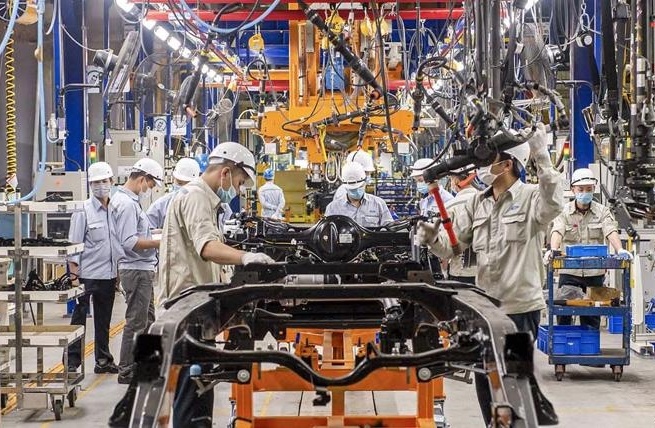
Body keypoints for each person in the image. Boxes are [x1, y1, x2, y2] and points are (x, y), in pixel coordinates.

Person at [415, 124, 562, 425]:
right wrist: (431, 238)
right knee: (486, 383)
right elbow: (451, 248)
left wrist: (542, 155)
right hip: (486, 312)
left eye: (488, 159)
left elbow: (554, 203)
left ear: (507, 164)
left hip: (519, 312)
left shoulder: (531, 198)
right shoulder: (476, 203)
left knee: (514, 385)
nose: (481, 166)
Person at [158, 142, 275, 427]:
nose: (237, 190)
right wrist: (245, 257)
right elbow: (207, 247)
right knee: (192, 396)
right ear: (225, 173)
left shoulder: (203, 199)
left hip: (194, 309)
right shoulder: (196, 197)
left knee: (195, 392)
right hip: (186, 312)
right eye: (239, 182)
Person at [546, 167, 633, 329]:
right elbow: (557, 230)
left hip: (594, 275)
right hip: (570, 274)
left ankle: (590, 343)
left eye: (588, 189)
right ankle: (566, 344)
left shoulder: (602, 211)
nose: (585, 193)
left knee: (592, 319)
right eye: (581, 189)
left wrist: (619, 249)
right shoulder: (563, 212)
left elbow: (610, 230)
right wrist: (553, 249)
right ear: (573, 189)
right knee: (564, 317)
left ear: (594, 189)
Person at [111, 158, 163, 384]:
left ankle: (148, 366)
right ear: (143, 179)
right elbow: (129, 242)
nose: (149, 189)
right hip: (136, 269)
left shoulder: (129, 201)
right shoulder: (126, 204)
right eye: (150, 185)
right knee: (136, 321)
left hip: (142, 268)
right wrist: (161, 242)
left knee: (149, 319)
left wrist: (157, 232)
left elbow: (139, 233)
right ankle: (127, 370)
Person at [66, 162, 120, 374]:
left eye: (104, 181)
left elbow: (116, 243)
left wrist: (117, 273)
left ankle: (103, 360)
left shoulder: (115, 210)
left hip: (108, 275)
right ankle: (72, 362)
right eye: (96, 183)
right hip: (86, 275)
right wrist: (73, 278)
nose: (100, 186)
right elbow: (74, 246)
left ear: (111, 181)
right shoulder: (83, 211)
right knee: (79, 319)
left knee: (103, 320)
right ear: (90, 185)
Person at [325, 161, 393, 227]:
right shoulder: (333, 208)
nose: (357, 191)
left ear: (365, 182)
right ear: (345, 187)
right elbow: (327, 231)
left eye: (360, 187)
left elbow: (390, 229)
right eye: (353, 189)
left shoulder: (379, 204)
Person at [443, 172, 479, 283]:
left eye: (451, 179)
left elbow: (445, 246)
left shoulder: (450, 206)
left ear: (456, 181)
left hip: (461, 274)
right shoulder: (489, 201)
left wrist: (444, 270)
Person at [146, 157, 200, 229]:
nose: (183, 188)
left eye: (188, 184)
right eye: (180, 183)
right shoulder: (160, 206)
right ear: (173, 179)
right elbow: (147, 231)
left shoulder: (202, 205)